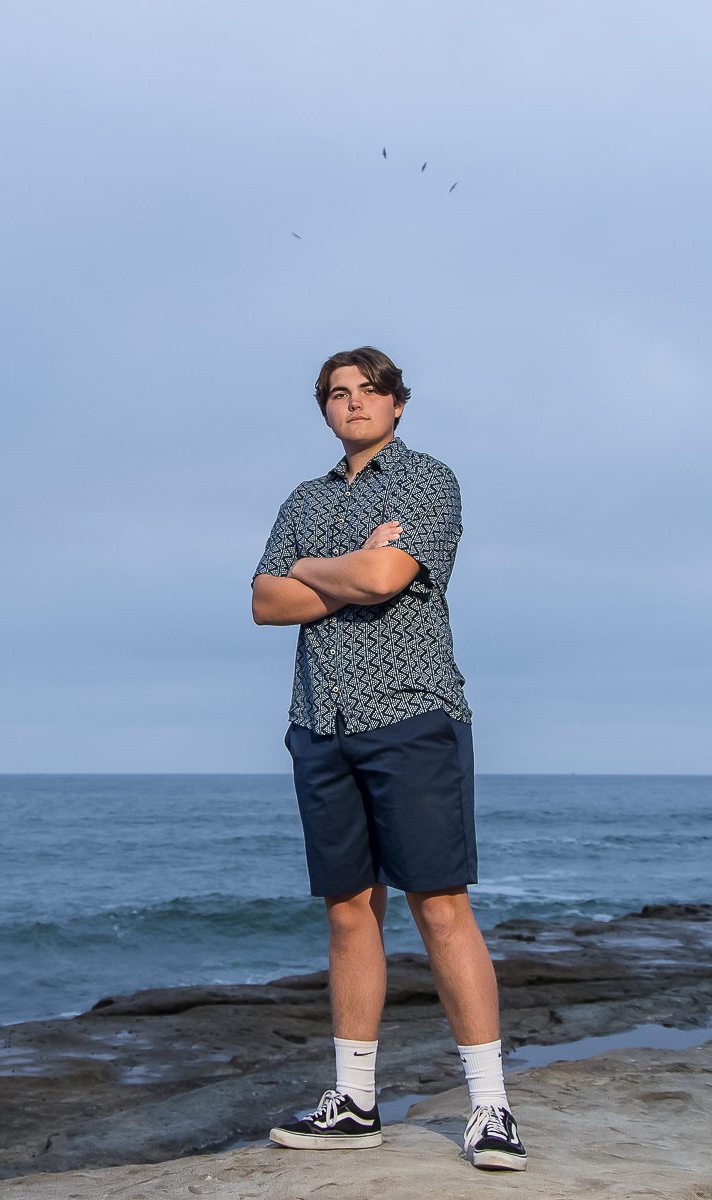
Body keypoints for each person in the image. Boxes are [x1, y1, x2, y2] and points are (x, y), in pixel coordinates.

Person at [249, 346, 526, 1172]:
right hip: (319, 723)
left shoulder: (428, 480)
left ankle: (490, 1108)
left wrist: (319, 571)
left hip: (410, 714)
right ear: (325, 411)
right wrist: (339, 570)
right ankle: (356, 1103)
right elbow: (267, 601)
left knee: (439, 905)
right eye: (337, 394)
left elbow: (383, 574)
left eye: (368, 390)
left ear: (396, 404)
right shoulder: (303, 499)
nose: (353, 403)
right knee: (347, 911)